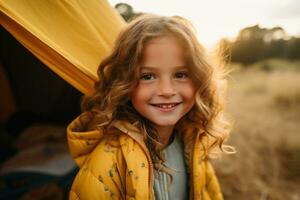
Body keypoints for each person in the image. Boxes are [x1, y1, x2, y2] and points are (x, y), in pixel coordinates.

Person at [67, 14, 233, 200]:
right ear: (124, 83)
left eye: (180, 74)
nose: (167, 90)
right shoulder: (108, 163)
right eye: (148, 76)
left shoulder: (192, 144)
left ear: (199, 80)